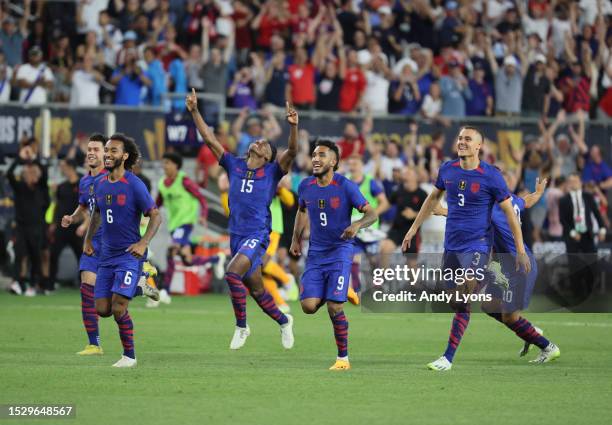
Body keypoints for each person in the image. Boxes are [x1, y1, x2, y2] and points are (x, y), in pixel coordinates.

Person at [402, 126, 531, 371]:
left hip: (479, 245)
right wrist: (413, 228)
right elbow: (432, 199)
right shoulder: (447, 169)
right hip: (452, 245)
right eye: (460, 138)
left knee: (463, 296)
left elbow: (510, 215)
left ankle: (447, 358)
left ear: (478, 146)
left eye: (467, 139)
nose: (462, 142)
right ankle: (527, 331)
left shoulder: (491, 175)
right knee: (459, 301)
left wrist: (520, 249)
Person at [186, 89, 296, 351]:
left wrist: (293, 126)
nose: (258, 142)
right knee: (257, 290)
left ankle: (242, 326)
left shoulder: (272, 172)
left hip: (257, 234)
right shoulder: (234, 164)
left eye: (263, 143)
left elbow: (292, 151)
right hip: (236, 235)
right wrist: (194, 111)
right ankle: (284, 321)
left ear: (268, 156)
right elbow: (210, 139)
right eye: (256, 140)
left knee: (231, 274)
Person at [434, 176, 561, 364]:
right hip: (503, 265)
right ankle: (530, 331)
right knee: (489, 305)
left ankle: (548, 347)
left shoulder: (492, 207)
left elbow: (467, 217)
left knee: (510, 317)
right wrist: (539, 193)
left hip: (520, 266)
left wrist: (442, 211)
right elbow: (526, 201)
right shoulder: (510, 199)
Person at [290, 140, 377, 371]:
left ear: (334, 161)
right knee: (308, 307)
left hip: (340, 250)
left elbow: (372, 213)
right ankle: (342, 290)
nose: (316, 158)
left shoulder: (345, 186)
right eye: (314, 154)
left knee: (334, 307)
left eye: (322, 155)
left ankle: (343, 359)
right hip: (316, 254)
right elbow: (301, 211)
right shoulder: (306, 186)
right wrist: (295, 238)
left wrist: (357, 224)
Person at [83, 133, 162, 368]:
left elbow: (155, 216)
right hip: (106, 255)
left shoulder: (134, 184)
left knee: (118, 307)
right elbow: (96, 213)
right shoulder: (99, 183)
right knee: (102, 309)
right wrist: (88, 240)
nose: (107, 154)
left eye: (113, 151)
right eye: (106, 150)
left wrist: (143, 242)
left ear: (124, 156)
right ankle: (139, 285)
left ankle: (129, 356)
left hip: (129, 255)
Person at [154, 151, 225, 307]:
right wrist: (147, 215)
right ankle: (216, 259)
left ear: (175, 165)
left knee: (172, 250)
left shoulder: (184, 181)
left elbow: (201, 197)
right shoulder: (162, 183)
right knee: (186, 260)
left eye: (167, 163)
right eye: (163, 162)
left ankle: (165, 291)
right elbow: (157, 203)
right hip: (174, 226)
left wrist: (203, 215)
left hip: (186, 223)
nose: (164, 166)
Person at [60, 134, 107, 354]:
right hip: (92, 244)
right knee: (86, 288)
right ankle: (93, 344)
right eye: (89, 149)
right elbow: (85, 206)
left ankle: (141, 282)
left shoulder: (113, 179)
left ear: (106, 154)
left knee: (113, 301)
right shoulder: (85, 181)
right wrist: (72, 217)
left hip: (112, 244)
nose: (90, 152)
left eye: (96, 149)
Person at [7, 142, 49, 296]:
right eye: (27, 172)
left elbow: (45, 173)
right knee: (19, 255)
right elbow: (9, 174)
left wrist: (33, 158)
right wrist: (19, 158)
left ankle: (33, 284)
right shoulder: (20, 188)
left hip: (37, 227)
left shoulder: (41, 188)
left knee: (35, 257)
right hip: (21, 227)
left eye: (33, 172)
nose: (30, 174)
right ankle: (17, 283)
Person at [47, 159, 83, 293]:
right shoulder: (61, 187)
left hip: (76, 227)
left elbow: (85, 207)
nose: (61, 169)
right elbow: (57, 206)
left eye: (63, 167)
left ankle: (84, 284)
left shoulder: (82, 184)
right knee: (53, 254)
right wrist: (53, 223)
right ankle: (50, 284)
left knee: (82, 256)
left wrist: (83, 223)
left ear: (70, 167)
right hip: (61, 227)